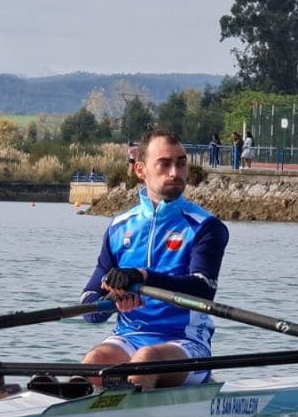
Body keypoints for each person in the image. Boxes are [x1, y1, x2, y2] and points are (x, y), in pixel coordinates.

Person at [80, 128, 230, 390]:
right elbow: (89, 309)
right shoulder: (119, 227)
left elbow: (203, 291)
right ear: (141, 170)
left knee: (146, 360)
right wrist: (112, 301)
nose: (175, 172)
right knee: (93, 362)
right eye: (165, 164)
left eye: (181, 164)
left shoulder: (206, 227)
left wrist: (143, 277)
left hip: (185, 343)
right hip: (128, 337)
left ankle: (125, 414)